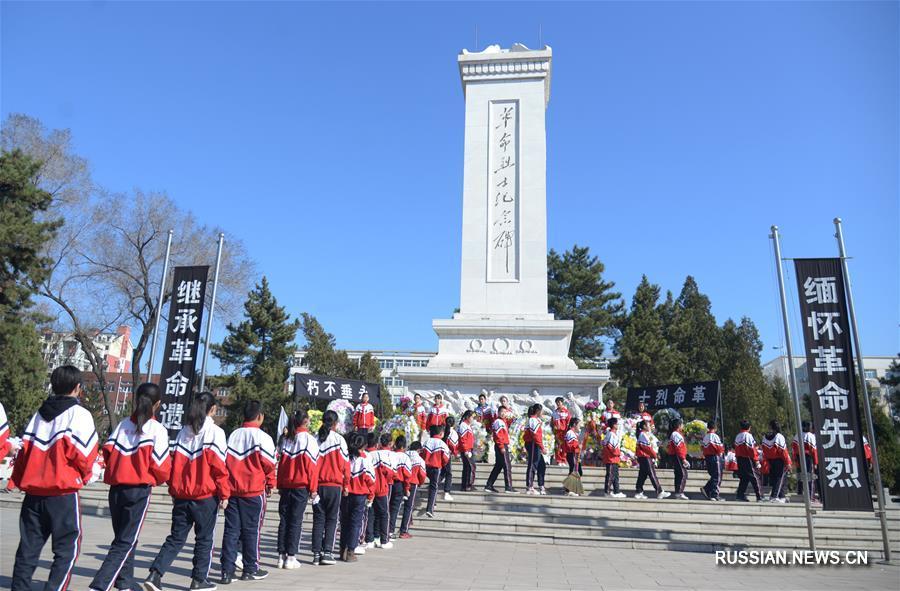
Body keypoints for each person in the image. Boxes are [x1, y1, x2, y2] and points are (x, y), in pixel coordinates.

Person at [11, 366, 99, 591]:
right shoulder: (79, 414)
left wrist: (16, 480)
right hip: (62, 494)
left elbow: (24, 450)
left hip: (33, 494)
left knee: (28, 550)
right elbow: (84, 455)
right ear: (78, 388)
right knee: (66, 551)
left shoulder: (39, 414)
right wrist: (88, 475)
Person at [144, 392, 229, 591]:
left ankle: (155, 574)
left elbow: (175, 465)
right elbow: (219, 467)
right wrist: (224, 494)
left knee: (175, 538)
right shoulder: (215, 432)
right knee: (204, 539)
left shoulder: (184, 431)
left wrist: (174, 491)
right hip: (205, 496)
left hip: (182, 495)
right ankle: (198, 580)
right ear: (213, 409)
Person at [90, 383, 170, 591]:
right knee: (125, 542)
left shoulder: (123, 424)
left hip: (116, 490)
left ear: (136, 399)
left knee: (124, 538)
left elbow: (107, 452)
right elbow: (161, 467)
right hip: (138, 491)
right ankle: (99, 585)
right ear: (158, 404)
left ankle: (124, 582)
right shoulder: (157, 429)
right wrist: (155, 477)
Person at [220, 400, 276, 583]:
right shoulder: (263, 437)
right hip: (253, 491)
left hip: (233, 490)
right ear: (260, 416)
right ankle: (250, 568)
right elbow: (269, 464)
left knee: (231, 531)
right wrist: (271, 483)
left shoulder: (233, 434)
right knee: (252, 531)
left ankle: (226, 571)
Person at [276, 409, 319, 570]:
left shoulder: (287, 439)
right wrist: (313, 488)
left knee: (284, 520)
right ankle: (291, 556)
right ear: (306, 421)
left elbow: (281, 465)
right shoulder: (308, 439)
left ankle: (281, 556)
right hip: (300, 486)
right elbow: (312, 467)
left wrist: (279, 484)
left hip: (286, 486)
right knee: (295, 521)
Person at [310, 410, 348, 566]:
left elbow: (311, 467)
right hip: (334, 486)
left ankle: (316, 554)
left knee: (318, 520)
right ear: (335, 423)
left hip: (318, 486)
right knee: (332, 519)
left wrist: (312, 489)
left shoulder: (315, 439)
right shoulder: (339, 440)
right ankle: (327, 553)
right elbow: (346, 466)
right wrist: (346, 485)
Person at [338, 432, 375, 562]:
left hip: (345, 493)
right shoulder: (365, 459)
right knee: (355, 524)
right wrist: (371, 494)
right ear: (363, 445)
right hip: (359, 495)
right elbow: (370, 478)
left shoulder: (346, 456)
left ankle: (342, 549)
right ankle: (351, 551)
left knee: (345, 523)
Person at [364, 433, 396, 550]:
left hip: (370, 487)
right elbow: (391, 472)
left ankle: (370, 539)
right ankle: (384, 540)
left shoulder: (370, 454)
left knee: (371, 514)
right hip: (382, 488)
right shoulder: (390, 455)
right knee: (384, 514)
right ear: (390, 443)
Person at [634, 420, 669, 499]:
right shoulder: (642, 434)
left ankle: (638, 491)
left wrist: (659, 444)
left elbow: (654, 443)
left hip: (645, 457)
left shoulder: (646, 434)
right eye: (648, 425)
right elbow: (647, 448)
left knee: (642, 475)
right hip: (645, 457)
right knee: (652, 473)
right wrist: (655, 455)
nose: (650, 426)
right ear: (644, 426)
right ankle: (659, 491)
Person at [398, 441, 426, 539]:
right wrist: (420, 483)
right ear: (419, 450)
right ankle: (404, 530)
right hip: (412, 483)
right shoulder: (419, 459)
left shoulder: (403, 455)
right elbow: (422, 474)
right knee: (408, 506)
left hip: (400, 482)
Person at [421, 424, 450, 517]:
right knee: (434, 487)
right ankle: (430, 508)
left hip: (426, 467)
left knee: (432, 485)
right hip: (436, 467)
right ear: (441, 433)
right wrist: (442, 464)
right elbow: (446, 458)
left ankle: (433, 503)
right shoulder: (442, 444)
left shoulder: (426, 442)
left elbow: (422, 454)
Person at [761, 420, 791, 503]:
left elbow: (763, 449)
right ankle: (774, 496)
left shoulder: (765, 436)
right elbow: (783, 451)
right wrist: (788, 462)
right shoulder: (779, 436)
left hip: (770, 460)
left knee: (774, 479)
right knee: (779, 478)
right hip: (779, 460)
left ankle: (782, 496)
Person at [484, 411, 514, 493]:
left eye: (505, 412)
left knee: (498, 466)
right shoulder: (498, 422)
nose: (504, 413)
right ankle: (508, 487)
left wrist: (511, 417)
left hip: (502, 445)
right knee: (507, 466)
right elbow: (498, 435)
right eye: (503, 412)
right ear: (499, 413)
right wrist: (501, 446)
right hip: (501, 445)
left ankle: (489, 485)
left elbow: (511, 422)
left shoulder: (503, 421)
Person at [734, 419, 763, 502]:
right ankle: (759, 496)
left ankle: (740, 495)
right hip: (748, 459)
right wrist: (756, 460)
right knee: (755, 477)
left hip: (739, 459)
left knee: (744, 478)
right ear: (749, 427)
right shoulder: (748, 436)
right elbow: (752, 449)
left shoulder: (738, 436)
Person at [388, 435, 411, 538]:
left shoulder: (390, 455)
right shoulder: (405, 457)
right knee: (394, 509)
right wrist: (407, 489)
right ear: (404, 447)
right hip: (399, 485)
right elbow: (407, 475)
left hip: (389, 483)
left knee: (386, 508)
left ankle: (382, 530)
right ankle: (390, 531)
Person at [524, 404, 547, 495]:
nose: (542, 413)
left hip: (535, 444)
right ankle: (529, 487)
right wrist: (542, 447)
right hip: (533, 444)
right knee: (533, 465)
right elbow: (535, 435)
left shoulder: (536, 420)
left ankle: (541, 485)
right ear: (537, 411)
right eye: (541, 411)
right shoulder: (533, 420)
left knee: (541, 465)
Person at [792, 420, 818, 502]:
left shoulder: (797, 435)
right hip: (808, 458)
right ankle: (810, 497)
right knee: (810, 476)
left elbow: (794, 449)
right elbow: (813, 450)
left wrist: (795, 459)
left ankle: (799, 493)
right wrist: (816, 462)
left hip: (799, 457)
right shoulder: (810, 436)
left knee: (800, 475)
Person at [700, 420, 725, 501]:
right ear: (715, 428)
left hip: (708, 457)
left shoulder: (705, 437)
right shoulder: (715, 436)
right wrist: (721, 453)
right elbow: (719, 448)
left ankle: (707, 489)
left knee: (714, 476)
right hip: (715, 457)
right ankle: (715, 494)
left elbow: (702, 447)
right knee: (717, 476)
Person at [601, 417, 625, 497]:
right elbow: (610, 447)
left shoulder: (613, 434)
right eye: (617, 424)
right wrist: (618, 453)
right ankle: (607, 492)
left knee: (615, 476)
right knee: (610, 475)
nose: (618, 425)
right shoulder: (611, 434)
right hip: (611, 458)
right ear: (613, 425)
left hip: (614, 459)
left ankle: (616, 491)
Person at [667, 419, 689, 500]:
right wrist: (683, 459)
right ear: (679, 426)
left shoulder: (676, 434)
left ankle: (678, 492)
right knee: (683, 474)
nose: (683, 426)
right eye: (682, 424)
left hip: (677, 456)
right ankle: (679, 492)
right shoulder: (675, 434)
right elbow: (678, 448)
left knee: (679, 474)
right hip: (678, 456)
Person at [440, 416, 458, 501]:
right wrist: (455, 453)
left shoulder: (442, 430)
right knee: (448, 473)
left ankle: (434, 486)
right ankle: (446, 492)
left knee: (443, 472)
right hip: (447, 454)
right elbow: (452, 445)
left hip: (440, 453)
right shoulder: (453, 432)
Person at [457, 411, 476, 492]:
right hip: (466, 450)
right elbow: (463, 439)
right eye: (472, 417)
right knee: (469, 467)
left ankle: (467, 484)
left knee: (469, 467)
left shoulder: (467, 425)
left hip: (469, 449)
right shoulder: (463, 425)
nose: (473, 419)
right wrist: (466, 450)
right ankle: (466, 485)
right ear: (468, 417)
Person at [563, 418, 583, 496]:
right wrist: (578, 446)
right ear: (574, 424)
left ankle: (569, 488)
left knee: (577, 471)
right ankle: (569, 489)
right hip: (572, 454)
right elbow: (570, 445)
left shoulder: (572, 433)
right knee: (574, 471)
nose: (580, 427)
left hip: (574, 455)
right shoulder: (570, 433)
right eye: (579, 425)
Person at [550, 397, 570, 465]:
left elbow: (568, 422)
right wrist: (553, 430)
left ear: (562, 402)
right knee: (557, 446)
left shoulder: (566, 412)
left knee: (564, 446)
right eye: (557, 402)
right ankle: (558, 460)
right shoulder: (554, 412)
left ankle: (563, 460)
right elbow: (552, 422)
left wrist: (568, 431)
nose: (558, 404)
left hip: (564, 432)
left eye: (559, 402)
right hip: (557, 432)